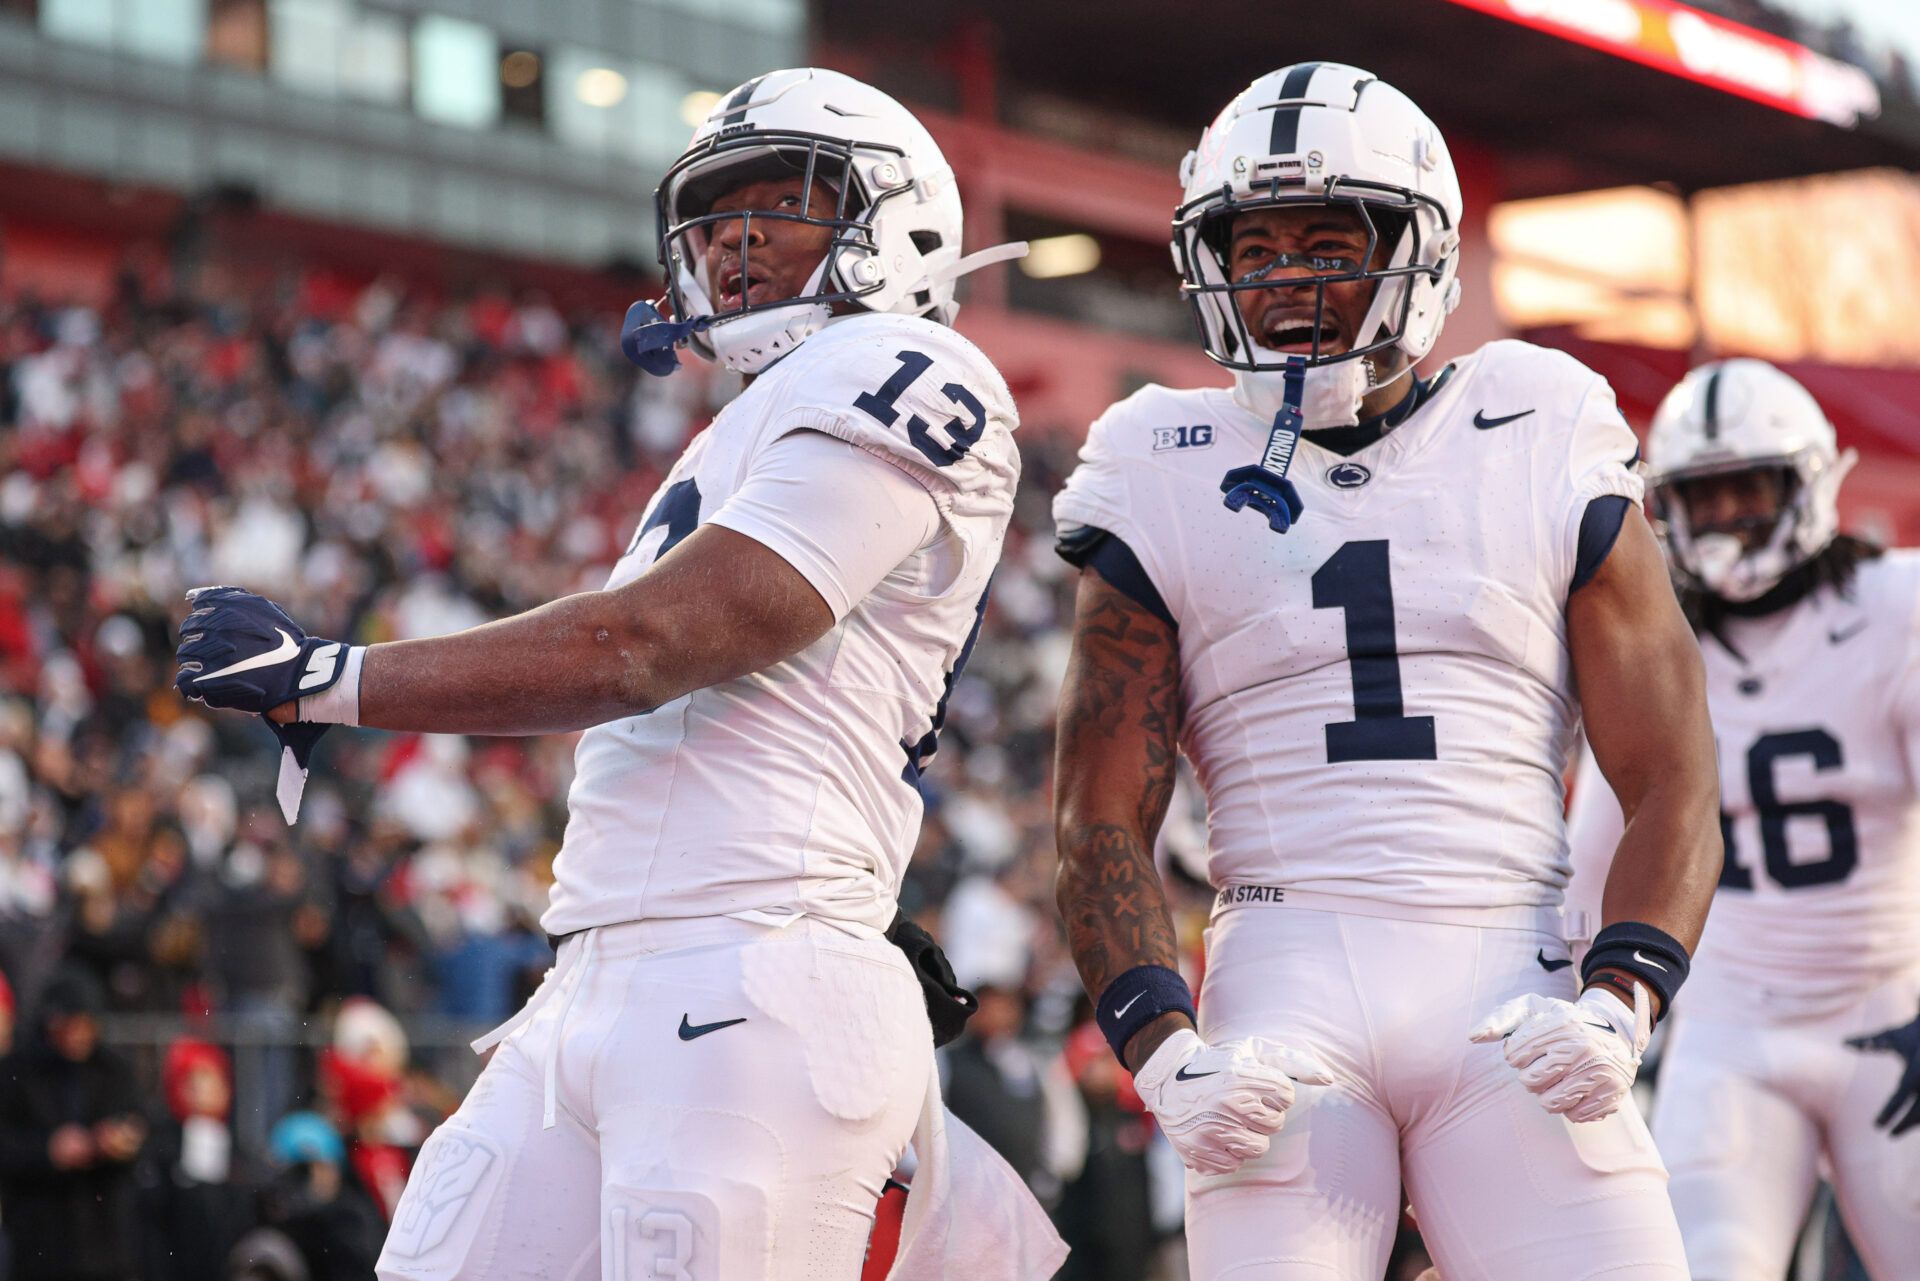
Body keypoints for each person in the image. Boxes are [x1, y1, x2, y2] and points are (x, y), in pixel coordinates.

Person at [174, 67, 1052, 1280]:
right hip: (605, 969)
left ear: (895, 222)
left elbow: (651, 645)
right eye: (717, 213)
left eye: (781, 200)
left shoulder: (907, 363)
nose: (734, 239)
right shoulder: (739, 425)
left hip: (749, 961)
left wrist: (332, 678)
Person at [1051, 63, 1720, 1279]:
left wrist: (1623, 998)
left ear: (1419, 252)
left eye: (1326, 244)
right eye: (1254, 250)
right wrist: (1163, 1049)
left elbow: (1674, 774)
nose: (1283, 281)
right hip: (1280, 999)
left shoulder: (1538, 415)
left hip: (1514, 986)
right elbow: (1097, 813)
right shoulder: (1157, 456)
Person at [1565, 358, 1920, 1280]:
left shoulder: (1898, 606)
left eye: (1748, 488)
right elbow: (1586, 866)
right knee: (1713, 1265)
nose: (1725, 517)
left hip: (1892, 1014)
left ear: (1807, 483)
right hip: (1730, 1033)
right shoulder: (1656, 638)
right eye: (1702, 494)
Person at [0, 968, 148, 1281]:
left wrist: (121, 1140)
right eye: (71, 1024)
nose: (79, 1034)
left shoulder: (113, 1070)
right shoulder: (16, 1072)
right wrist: (48, 1150)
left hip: (105, 1241)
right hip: (40, 1239)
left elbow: (142, 1125)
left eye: (86, 1025)